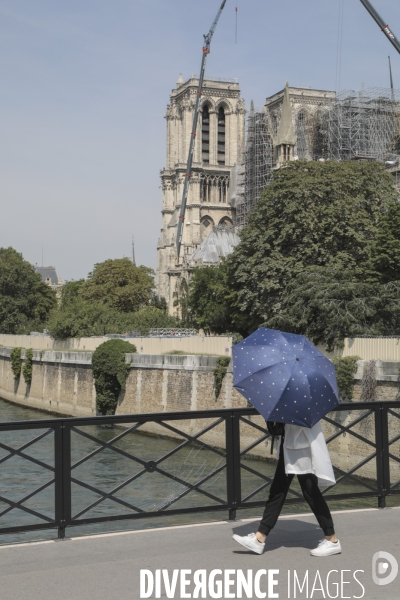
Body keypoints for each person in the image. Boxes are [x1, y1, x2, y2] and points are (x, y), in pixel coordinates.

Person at [232, 421, 341, 557]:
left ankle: (332, 539)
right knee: (278, 491)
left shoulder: (303, 403)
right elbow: (279, 430)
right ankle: (260, 537)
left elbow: (300, 424)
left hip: (301, 450)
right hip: (289, 448)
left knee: (311, 494)